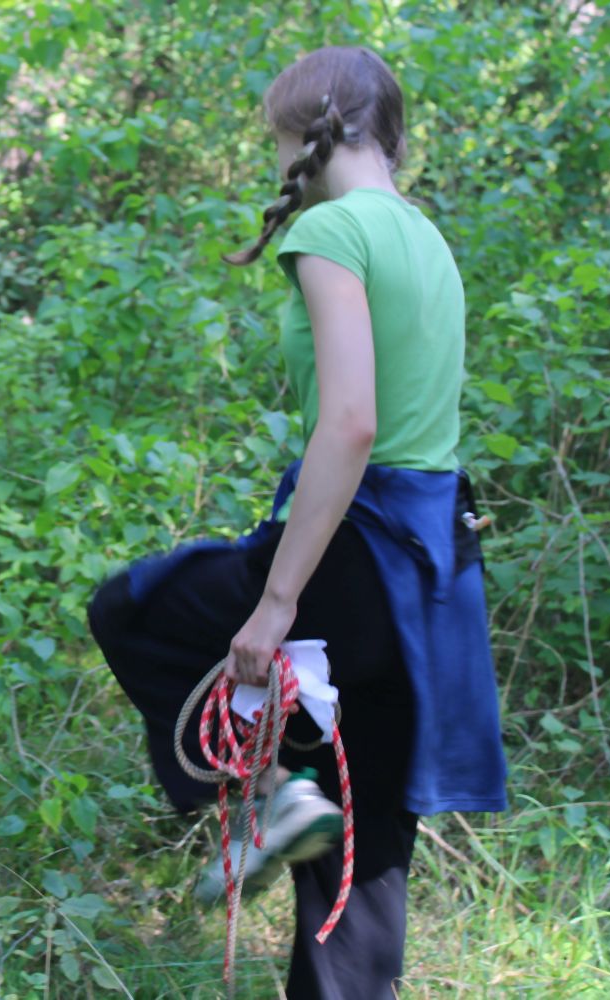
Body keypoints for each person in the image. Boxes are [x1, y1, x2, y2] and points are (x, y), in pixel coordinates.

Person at [86, 46, 508, 998]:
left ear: (303, 135)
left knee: (135, 609)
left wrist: (277, 603)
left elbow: (351, 423)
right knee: (362, 847)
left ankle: (273, 795)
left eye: (275, 142)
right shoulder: (424, 236)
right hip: (433, 570)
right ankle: (297, 806)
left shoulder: (331, 231)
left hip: (355, 555)